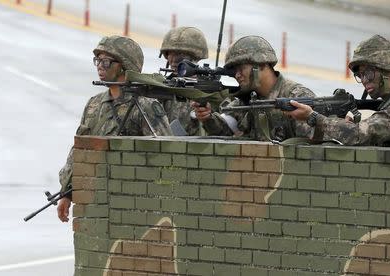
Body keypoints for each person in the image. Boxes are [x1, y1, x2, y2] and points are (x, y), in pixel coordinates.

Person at [57, 35, 172, 222]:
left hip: (134, 204)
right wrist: (67, 193)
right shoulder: (94, 105)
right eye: (97, 61)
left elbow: (167, 157)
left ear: (125, 66)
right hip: (97, 201)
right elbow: (79, 150)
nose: (100, 66)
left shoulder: (146, 106)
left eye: (107, 62)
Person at [285, 34, 390, 148]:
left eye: (368, 73)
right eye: (360, 75)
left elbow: (359, 135)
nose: (365, 80)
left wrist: (314, 117)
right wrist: (345, 125)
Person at [192, 35, 316, 141]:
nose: (237, 75)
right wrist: (208, 118)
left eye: (241, 68)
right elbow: (225, 132)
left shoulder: (296, 97)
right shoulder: (245, 100)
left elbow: (316, 146)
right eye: (234, 71)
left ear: (261, 64)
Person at [159, 26, 209, 136]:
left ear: (195, 56)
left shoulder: (210, 90)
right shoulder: (163, 87)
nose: (173, 59)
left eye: (179, 54)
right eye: (169, 54)